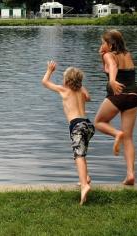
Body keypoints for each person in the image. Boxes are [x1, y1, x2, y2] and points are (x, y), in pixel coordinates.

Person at [42, 61, 94, 205]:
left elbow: (45, 82)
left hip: (77, 126)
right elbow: (88, 98)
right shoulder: (81, 91)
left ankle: (84, 185)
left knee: (79, 156)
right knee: (82, 153)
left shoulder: (64, 90)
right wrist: (81, 87)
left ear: (66, 80)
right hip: (88, 125)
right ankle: (86, 178)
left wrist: (49, 70)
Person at [94, 29, 137, 186]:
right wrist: (102, 56)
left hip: (118, 95)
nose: (101, 45)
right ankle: (130, 175)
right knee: (129, 138)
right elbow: (108, 66)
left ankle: (116, 133)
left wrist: (112, 80)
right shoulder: (127, 54)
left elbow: (112, 65)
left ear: (110, 44)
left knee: (99, 122)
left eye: (103, 42)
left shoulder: (109, 55)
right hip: (133, 95)